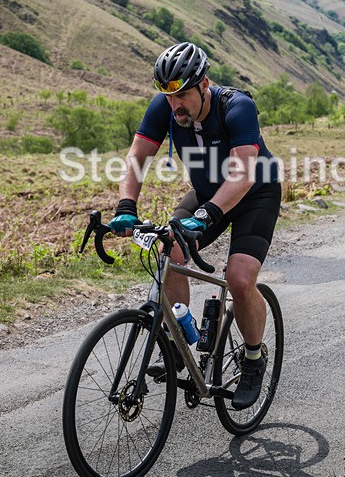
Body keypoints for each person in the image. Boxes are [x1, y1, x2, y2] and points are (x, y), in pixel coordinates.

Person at [109, 41, 281, 410]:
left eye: (183, 95)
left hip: (255, 194)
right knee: (169, 245)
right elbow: (138, 156)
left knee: (238, 278)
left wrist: (207, 215)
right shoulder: (165, 107)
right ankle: (177, 343)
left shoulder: (237, 106)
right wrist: (126, 206)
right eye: (168, 96)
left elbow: (243, 173)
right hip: (206, 195)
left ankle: (253, 359)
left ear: (204, 84)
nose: (175, 105)